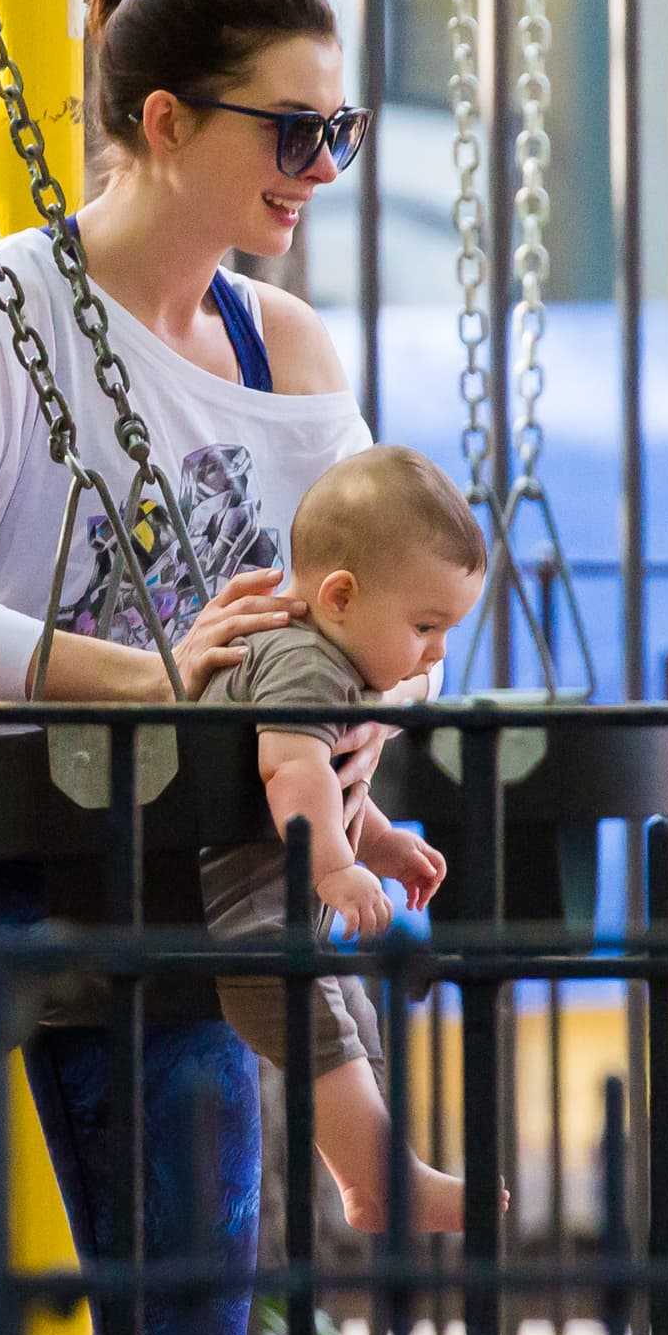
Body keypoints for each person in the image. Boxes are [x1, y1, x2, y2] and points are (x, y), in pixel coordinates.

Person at [0, 0, 437, 1335]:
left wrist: (375, 712)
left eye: (340, 128)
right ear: (168, 121)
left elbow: (386, 599)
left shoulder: (285, 354)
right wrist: (147, 676)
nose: (324, 167)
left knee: (192, 1320)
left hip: (153, 851)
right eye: (294, 130)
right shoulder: (5, 308)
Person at [201, 444, 499, 1233]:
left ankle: (366, 1184)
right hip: (242, 919)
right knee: (322, 1023)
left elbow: (325, 789)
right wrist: (334, 867)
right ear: (339, 597)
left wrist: (381, 844)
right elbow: (291, 771)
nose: (436, 654)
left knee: (350, 1022)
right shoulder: (307, 663)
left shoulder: (327, 663)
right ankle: (386, 1183)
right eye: (426, 626)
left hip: (269, 913)